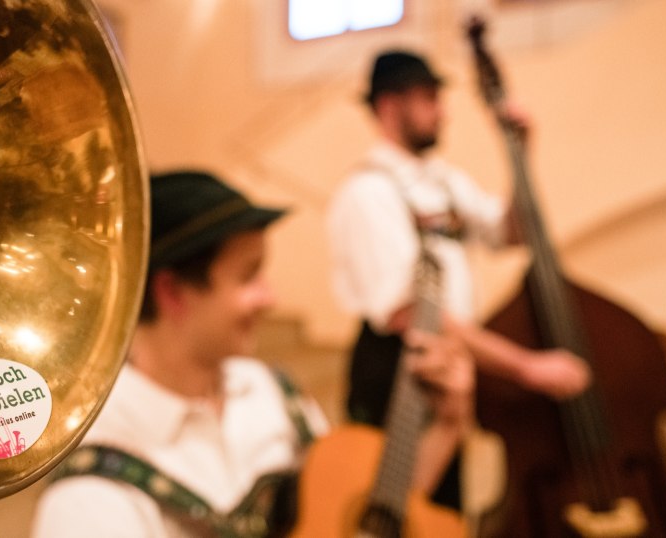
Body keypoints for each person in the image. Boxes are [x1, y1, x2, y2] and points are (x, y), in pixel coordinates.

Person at [32, 170, 478, 537]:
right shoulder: (89, 497)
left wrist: (447, 425)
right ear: (172, 293)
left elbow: (366, 517)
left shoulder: (269, 389)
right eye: (249, 277)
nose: (271, 298)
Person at [327, 50, 591, 510]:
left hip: (448, 363)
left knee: (441, 514)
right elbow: (412, 314)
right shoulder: (367, 193)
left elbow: (514, 231)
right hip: (398, 370)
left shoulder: (443, 182)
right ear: (389, 107)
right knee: (397, 511)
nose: (443, 110)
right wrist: (525, 367)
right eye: (429, 97)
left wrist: (521, 156)